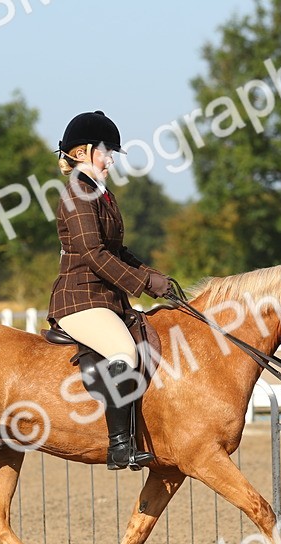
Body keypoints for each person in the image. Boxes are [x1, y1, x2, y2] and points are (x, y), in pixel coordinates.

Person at [47, 110, 173, 470]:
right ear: (84, 152)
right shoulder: (76, 195)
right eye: (106, 152)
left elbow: (117, 252)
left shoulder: (102, 195)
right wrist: (143, 284)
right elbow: (93, 253)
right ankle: (119, 445)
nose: (111, 159)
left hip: (105, 298)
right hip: (80, 298)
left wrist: (155, 277)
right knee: (123, 351)